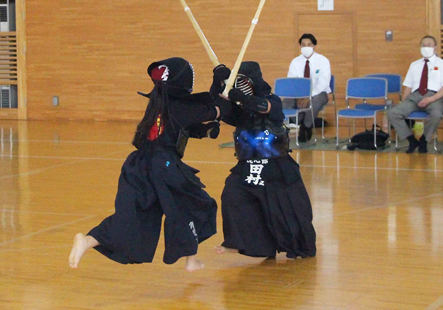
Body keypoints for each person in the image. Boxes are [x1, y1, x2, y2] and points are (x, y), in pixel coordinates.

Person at [69, 58, 231, 272]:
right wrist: (223, 90)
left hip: (139, 165)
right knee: (194, 205)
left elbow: (186, 121)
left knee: (135, 217)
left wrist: (208, 119)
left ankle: (88, 240)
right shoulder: (179, 107)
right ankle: (191, 261)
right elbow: (217, 108)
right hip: (162, 166)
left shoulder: (160, 101)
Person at [212, 61, 317, 259]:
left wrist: (240, 97)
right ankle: (240, 243)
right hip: (247, 166)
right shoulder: (240, 111)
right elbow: (218, 106)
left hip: (276, 166)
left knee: (284, 211)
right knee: (232, 195)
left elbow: (262, 106)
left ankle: (297, 245)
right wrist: (217, 82)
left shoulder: (272, 101)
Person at [387, 36, 443, 153]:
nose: (426, 47)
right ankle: (411, 140)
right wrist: (404, 103)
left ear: (435, 47)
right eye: (423, 45)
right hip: (415, 97)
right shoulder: (414, 65)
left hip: (435, 97)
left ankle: (424, 140)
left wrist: (431, 99)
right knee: (393, 113)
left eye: (429, 45)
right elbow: (408, 87)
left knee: (436, 115)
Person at [284, 33, 331, 142]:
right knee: (285, 103)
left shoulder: (323, 61)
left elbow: (323, 83)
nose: (306, 47)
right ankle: (293, 122)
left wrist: (308, 96)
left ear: (314, 46)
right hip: (299, 94)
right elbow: (292, 82)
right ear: (300, 46)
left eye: (309, 44)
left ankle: (306, 126)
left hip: (319, 93)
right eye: (303, 44)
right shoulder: (295, 62)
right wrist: (300, 96)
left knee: (315, 102)